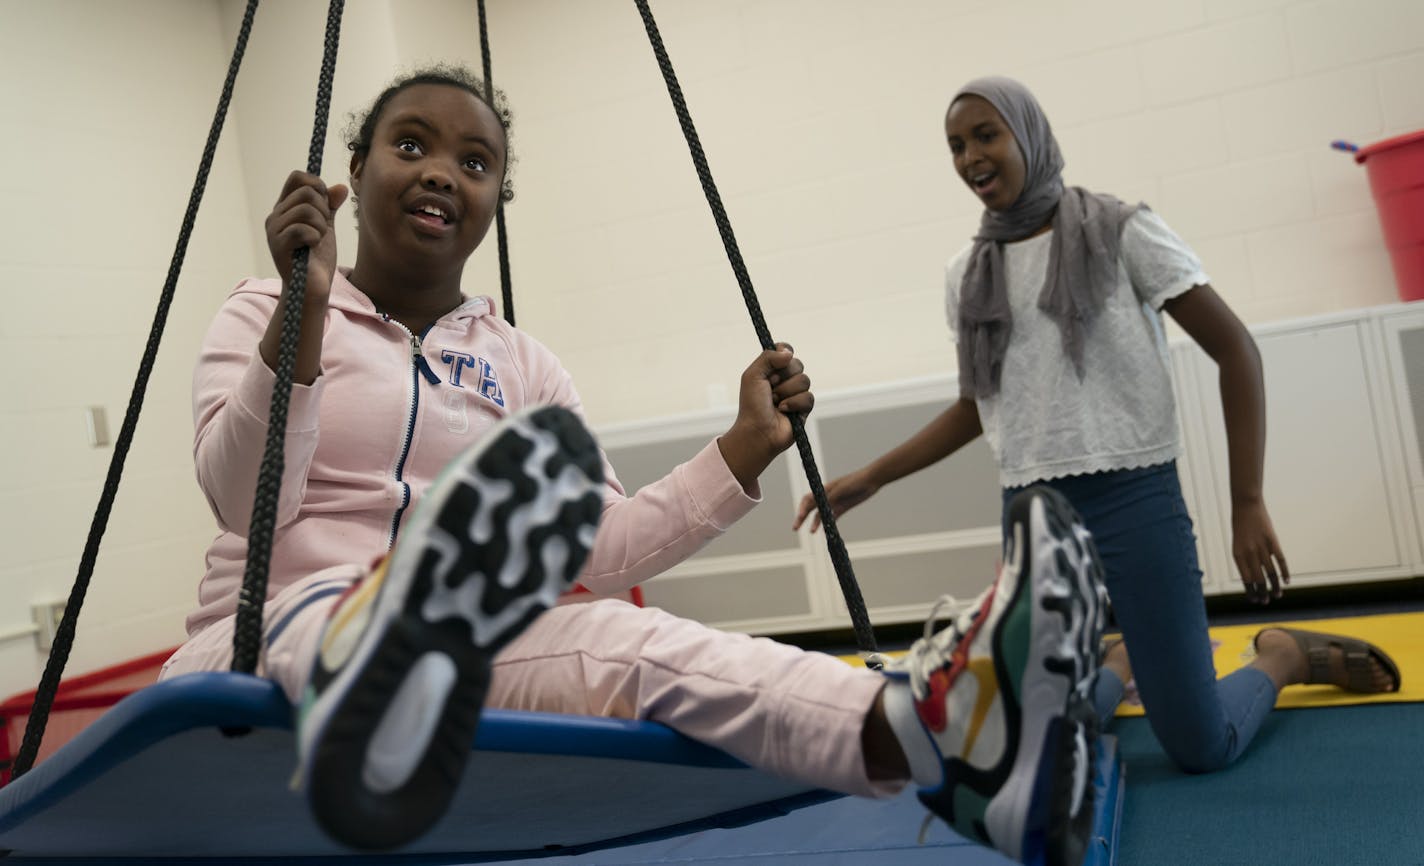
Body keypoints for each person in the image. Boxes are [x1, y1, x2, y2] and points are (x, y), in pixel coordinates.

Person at [159, 65, 1107, 864]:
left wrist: (740, 450)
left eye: (474, 163)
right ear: (354, 169)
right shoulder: (262, 308)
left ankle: (944, 744)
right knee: (349, 616)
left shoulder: (525, 366)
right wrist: (304, 316)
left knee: (638, 641)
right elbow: (244, 502)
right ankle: (385, 665)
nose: (442, 173)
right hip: (266, 637)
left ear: (495, 201)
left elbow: (597, 554)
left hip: (456, 649)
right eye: (411, 147)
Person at [795, 75, 1401, 778]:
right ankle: (1121, 658)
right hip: (1032, 516)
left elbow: (1236, 348)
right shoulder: (967, 273)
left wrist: (1247, 502)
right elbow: (980, 405)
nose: (970, 158)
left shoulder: (1121, 229)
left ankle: (1282, 656)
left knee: (1201, 747)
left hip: (1135, 496)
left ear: (1029, 133)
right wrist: (873, 476)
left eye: (986, 135)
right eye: (955, 146)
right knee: (1040, 754)